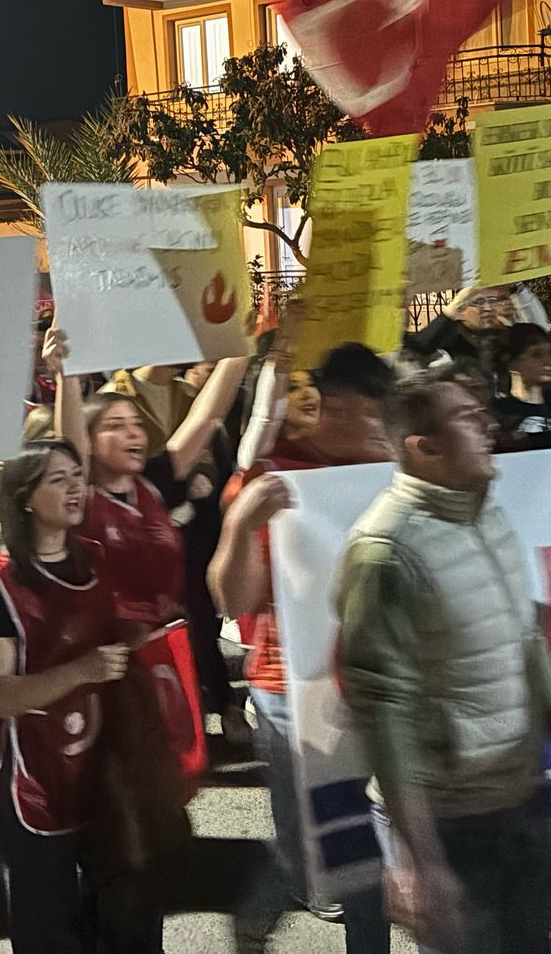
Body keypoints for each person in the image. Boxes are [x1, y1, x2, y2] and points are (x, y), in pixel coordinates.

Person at [334, 371, 551, 954]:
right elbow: (382, 714)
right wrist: (418, 860)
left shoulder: (488, 516)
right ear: (422, 448)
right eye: (467, 420)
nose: (489, 427)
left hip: (520, 799)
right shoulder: (385, 553)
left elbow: (525, 641)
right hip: (452, 825)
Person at [215, 342, 397, 953]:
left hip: (389, 686)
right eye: (378, 417)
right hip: (294, 690)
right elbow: (230, 595)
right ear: (341, 410)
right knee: (322, 848)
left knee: (385, 839)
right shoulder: (276, 479)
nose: (388, 432)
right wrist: (243, 523)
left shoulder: (405, 469)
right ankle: (260, 913)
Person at [0, 442, 154, 953]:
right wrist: (83, 670)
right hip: (29, 785)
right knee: (50, 936)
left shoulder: (94, 559)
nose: (75, 488)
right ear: (25, 498)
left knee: (126, 922)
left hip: (98, 774)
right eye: (58, 480)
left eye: (77, 476)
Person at [57, 345, 246, 631]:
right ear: (90, 440)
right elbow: (70, 446)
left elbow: (207, 416)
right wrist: (65, 374)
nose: (133, 432)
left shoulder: (151, 484)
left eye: (137, 423)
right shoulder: (79, 495)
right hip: (100, 648)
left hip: (163, 639)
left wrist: (242, 344)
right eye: (115, 425)